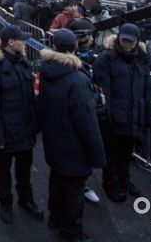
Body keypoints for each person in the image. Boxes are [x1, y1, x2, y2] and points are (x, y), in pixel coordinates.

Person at [38, 29, 106, 242]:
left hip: (54, 141)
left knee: (57, 181)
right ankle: (71, 233)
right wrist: (98, 156)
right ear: (75, 48)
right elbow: (86, 120)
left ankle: (55, 218)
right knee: (74, 193)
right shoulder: (77, 79)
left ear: (54, 47)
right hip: (74, 146)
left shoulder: (46, 71)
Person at [0, 26, 43, 224]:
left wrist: (35, 125)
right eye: (21, 40)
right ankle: (5, 204)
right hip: (6, 134)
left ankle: (26, 200)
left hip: (25, 130)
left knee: (24, 171)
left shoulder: (23, 64)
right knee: (4, 172)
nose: (24, 43)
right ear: (10, 42)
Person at [93, 23, 151, 203]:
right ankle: (111, 184)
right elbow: (103, 91)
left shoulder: (142, 59)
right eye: (124, 41)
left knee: (126, 153)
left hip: (134, 115)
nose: (127, 45)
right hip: (114, 116)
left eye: (131, 41)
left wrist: (148, 115)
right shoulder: (106, 59)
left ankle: (124, 181)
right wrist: (106, 117)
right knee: (112, 153)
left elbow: (147, 88)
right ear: (118, 39)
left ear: (137, 42)